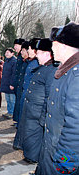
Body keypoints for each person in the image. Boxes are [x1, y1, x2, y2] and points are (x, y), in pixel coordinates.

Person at [35, 22, 79, 175]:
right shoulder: (65, 70)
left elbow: (75, 127)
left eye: (54, 44)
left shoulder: (75, 76)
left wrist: (65, 161)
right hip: (52, 148)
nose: (52, 48)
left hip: (62, 156)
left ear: (64, 46)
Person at [19, 38, 57, 164]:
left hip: (37, 113)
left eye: (39, 52)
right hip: (32, 112)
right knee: (30, 138)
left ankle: (34, 160)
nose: (36, 55)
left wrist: (43, 117)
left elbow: (49, 97)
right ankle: (33, 159)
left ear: (47, 54)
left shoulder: (51, 70)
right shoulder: (43, 67)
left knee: (35, 140)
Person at [13, 39, 39, 150]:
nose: (25, 52)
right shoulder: (28, 62)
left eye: (27, 49)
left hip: (30, 98)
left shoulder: (35, 64)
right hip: (24, 93)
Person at [12, 40, 29, 127]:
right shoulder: (20, 57)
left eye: (16, 45)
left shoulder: (28, 61)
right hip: (19, 83)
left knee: (20, 104)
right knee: (18, 103)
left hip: (22, 85)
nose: (15, 47)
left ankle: (19, 122)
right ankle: (17, 121)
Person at [0, 48, 17, 119]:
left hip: (11, 84)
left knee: (12, 100)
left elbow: (14, 73)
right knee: (8, 99)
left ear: (12, 53)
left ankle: (12, 113)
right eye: (6, 52)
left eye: (8, 52)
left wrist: (12, 84)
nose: (6, 54)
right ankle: (9, 111)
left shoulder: (14, 61)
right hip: (6, 83)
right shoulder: (6, 61)